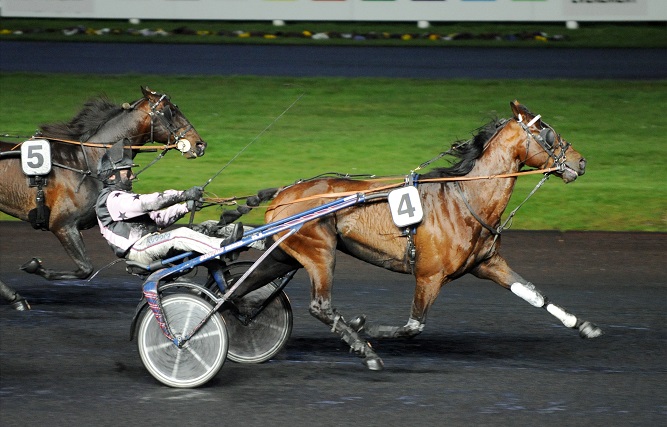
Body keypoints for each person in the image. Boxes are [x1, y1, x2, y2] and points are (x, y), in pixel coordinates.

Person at [95, 142, 243, 266]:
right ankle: (222, 248)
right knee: (181, 234)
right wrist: (183, 195)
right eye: (127, 172)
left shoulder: (122, 197)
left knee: (208, 226)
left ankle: (261, 241)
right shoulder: (111, 199)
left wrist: (186, 207)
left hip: (150, 244)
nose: (133, 175)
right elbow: (148, 203)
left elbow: (158, 219)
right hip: (139, 250)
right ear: (112, 175)